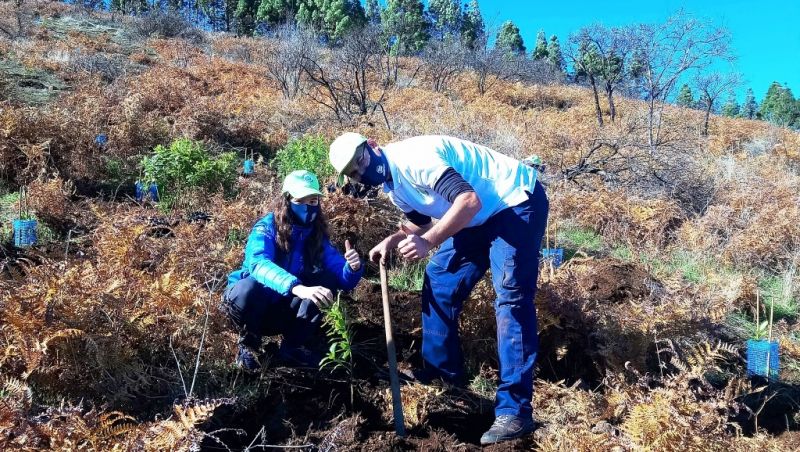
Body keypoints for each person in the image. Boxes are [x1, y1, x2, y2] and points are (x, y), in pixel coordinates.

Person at [329, 133, 549, 445]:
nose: (361, 171)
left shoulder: (415, 159)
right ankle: (444, 377)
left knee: (510, 298)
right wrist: (392, 240)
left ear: (373, 145)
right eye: (353, 171)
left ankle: (514, 410)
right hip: (477, 217)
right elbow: (419, 222)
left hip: (513, 202)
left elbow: (468, 201)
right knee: (440, 278)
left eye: (361, 160)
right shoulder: (393, 187)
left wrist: (429, 242)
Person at [222, 170, 363, 371]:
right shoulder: (267, 227)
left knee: (325, 281)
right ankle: (248, 344)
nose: (309, 206)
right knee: (248, 287)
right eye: (301, 200)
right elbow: (258, 264)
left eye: (313, 201)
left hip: (281, 311)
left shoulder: (316, 235)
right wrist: (297, 287)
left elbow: (342, 279)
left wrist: (352, 268)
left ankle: (292, 347)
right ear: (287, 200)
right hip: (249, 307)